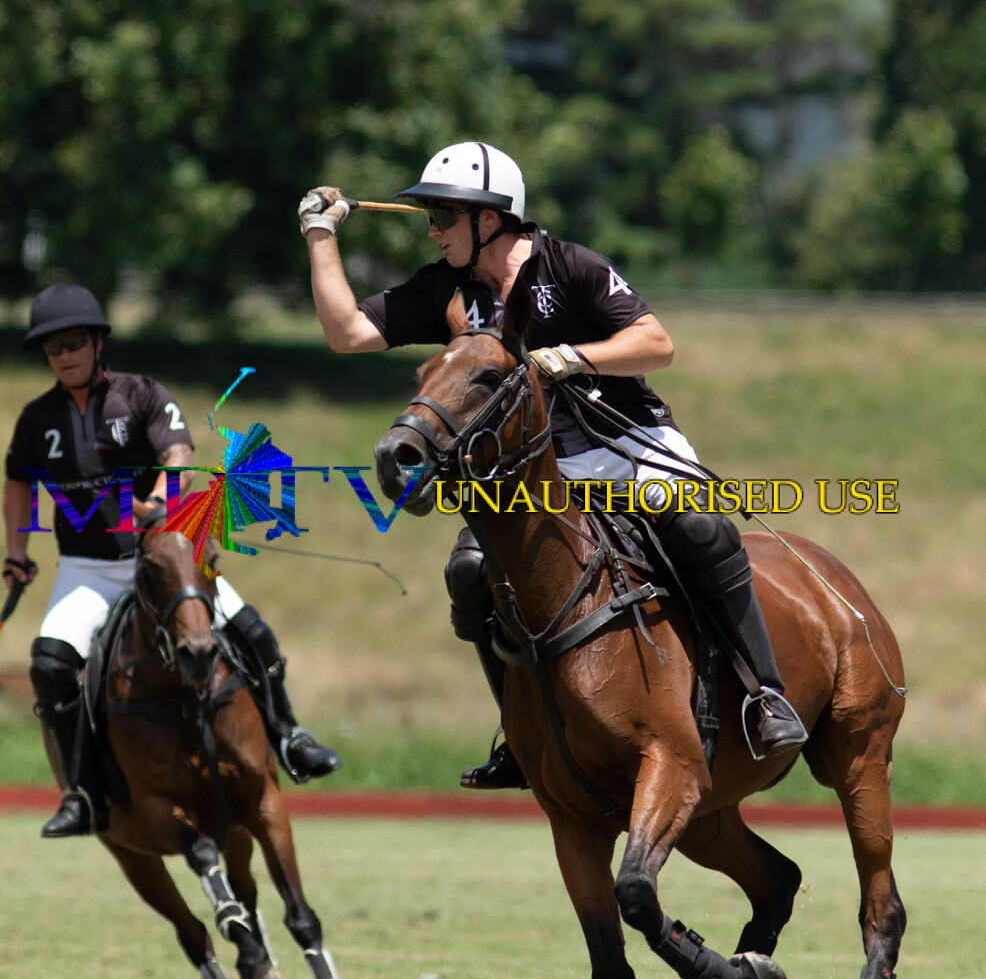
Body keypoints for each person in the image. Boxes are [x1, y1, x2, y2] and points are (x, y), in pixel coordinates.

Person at [298, 142, 808, 788]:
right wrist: (320, 235)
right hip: (537, 474)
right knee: (468, 572)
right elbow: (346, 333)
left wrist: (571, 358)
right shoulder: (443, 287)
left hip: (628, 446)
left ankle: (765, 695)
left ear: (490, 219)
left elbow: (656, 344)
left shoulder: (571, 266)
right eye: (430, 216)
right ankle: (519, 735)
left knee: (702, 532)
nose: (433, 230)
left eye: (444, 217)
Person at [2, 284, 340, 838]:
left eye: (74, 342)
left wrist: (159, 505)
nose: (64, 354)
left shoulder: (141, 394)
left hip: (164, 560)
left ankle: (289, 736)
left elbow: (177, 455)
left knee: (253, 632)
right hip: (88, 568)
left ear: (97, 342)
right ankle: (82, 794)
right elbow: (18, 482)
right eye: (53, 347)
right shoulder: (38, 418)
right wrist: (16, 554)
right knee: (50, 666)